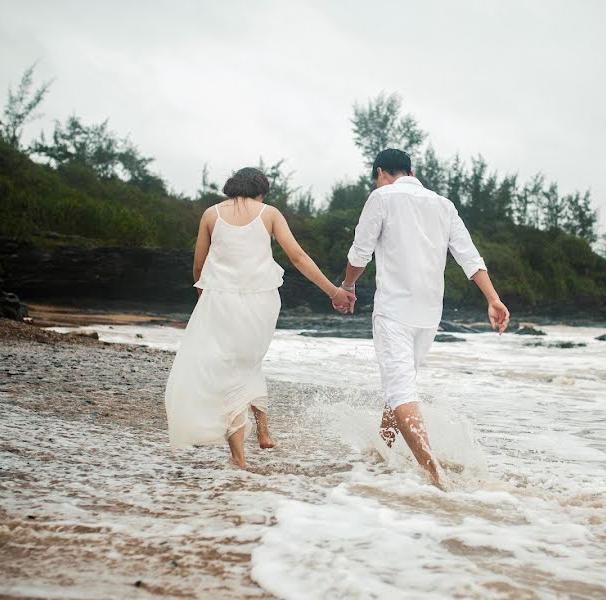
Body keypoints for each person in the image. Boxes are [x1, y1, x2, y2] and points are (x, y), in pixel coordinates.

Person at [335, 149, 510, 488]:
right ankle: (382, 452)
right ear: (411, 170)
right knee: (399, 385)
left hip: (395, 311)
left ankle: (434, 475)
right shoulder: (443, 205)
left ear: (382, 172)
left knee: (400, 390)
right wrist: (493, 298)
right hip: (429, 315)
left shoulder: (382, 197)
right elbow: (468, 256)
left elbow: (360, 252)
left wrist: (347, 286)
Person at [164, 167, 355, 469]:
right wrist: (333, 291)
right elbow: (298, 257)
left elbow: (198, 266)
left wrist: (205, 301)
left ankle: (240, 455)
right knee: (248, 362)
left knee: (229, 368)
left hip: (219, 301)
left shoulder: (210, 215)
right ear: (260, 190)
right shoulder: (269, 213)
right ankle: (261, 435)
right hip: (261, 303)